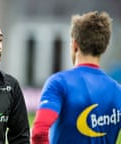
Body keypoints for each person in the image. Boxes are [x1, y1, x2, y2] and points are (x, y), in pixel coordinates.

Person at [32, 11, 121, 144]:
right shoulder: (117, 90)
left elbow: (39, 133)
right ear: (104, 47)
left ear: (74, 45)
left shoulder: (59, 83)